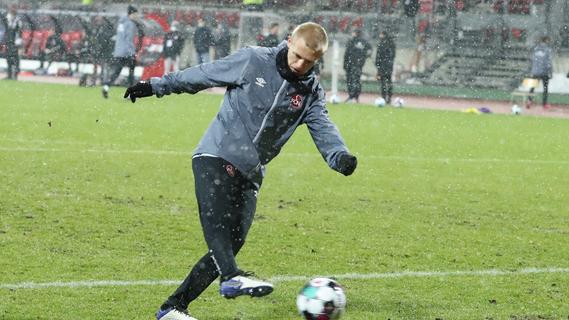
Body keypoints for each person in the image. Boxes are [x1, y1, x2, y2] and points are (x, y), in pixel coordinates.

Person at [123, 22, 357, 320]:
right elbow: (202, 75)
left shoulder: (311, 92)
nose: (300, 65)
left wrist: (339, 157)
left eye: (308, 61)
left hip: (251, 171)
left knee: (232, 241)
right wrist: (155, 86)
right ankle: (231, 277)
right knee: (216, 222)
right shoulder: (253, 60)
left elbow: (323, 127)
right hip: (217, 152)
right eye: (297, 55)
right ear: (288, 41)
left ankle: (173, 308)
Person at [102, 5, 139, 98]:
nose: (136, 16)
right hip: (127, 52)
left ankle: (106, 86)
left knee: (116, 72)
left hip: (119, 51)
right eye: (136, 14)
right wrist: (132, 53)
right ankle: (132, 94)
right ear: (132, 14)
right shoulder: (130, 24)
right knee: (131, 73)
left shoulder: (121, 23)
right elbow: (128, 40)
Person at [343, 29, 371, 103]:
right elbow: (347, 54)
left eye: (353, 32)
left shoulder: (359, 42)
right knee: (353, 80)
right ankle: (354, 96)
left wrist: (362, 59)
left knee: (353, 80)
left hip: (354, 65)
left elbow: (347, 54)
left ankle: (353, 96)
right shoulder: (353, 41)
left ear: (355, 33)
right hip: (353, 65)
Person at [527, 35, 553, 109]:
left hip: (535, 72)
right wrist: (550, 72)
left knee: (532, 87)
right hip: (544, 72)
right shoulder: (547, 50)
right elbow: (549, 62)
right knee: (545, 89)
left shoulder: (536, 49)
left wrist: (532, 70)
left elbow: (532, 60)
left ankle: (529, 101)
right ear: (546, 41)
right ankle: (544, 104)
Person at [375, 30, 396, 104]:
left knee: (383, 82)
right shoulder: (391, 44)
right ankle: (389, 97)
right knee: (389, 81)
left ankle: (383, 97)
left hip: (383, 66)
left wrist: (378, 66)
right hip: (389, 66)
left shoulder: (381, 44)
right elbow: (393, 56)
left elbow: (378, 56)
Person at [4, 6, 22, 80]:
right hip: (9, 41)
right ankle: (9, 75)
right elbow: (7, 28)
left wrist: (18, 41)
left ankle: (15, 75)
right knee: (8, 58)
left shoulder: (18, 20)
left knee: (15, 58)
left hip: (15, 41)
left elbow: (19, 31)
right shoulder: (7, 18)